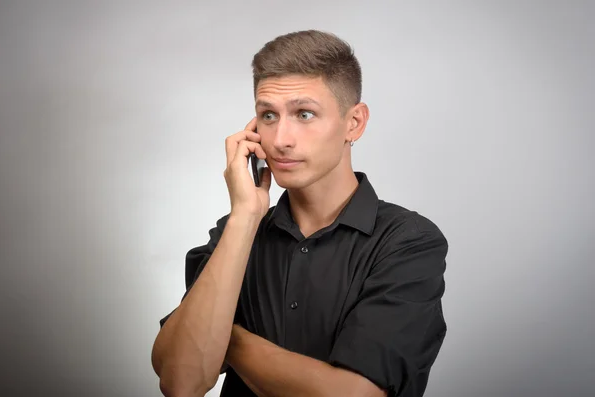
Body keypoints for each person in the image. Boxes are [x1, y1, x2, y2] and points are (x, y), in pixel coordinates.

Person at [151, 30, 448, 397]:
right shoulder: (236, 233)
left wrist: (227, 336)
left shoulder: (408, 242)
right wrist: (245, 216)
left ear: (354, 123)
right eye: (268, 115)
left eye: (304, 113)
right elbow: (180, 382)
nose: (280, 140)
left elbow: (354, 395)